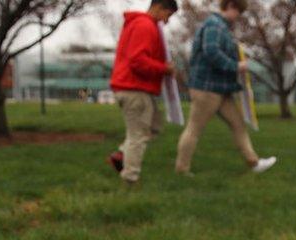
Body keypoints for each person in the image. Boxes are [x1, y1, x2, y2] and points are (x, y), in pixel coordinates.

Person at [175, 0, 276, 175]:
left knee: (238, 125)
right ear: (229, 6)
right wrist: (236, 66)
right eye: (238, 11)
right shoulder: (214, 25)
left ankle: (254, 163)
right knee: (194, 129)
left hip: (221, 89)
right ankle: (182, 169)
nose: (239, 16)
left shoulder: (222, 27)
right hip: (207, 88)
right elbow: (211, 52)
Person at [107, 0, 178, 183]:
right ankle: (130, 178)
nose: (167, 21)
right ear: (159, 7)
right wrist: (164, 68)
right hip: (134, 89)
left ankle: (122, 155)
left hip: (135, 88)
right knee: (137, 135)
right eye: (168, 15)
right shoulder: (145, 26)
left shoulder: (142, 24)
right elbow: (137, 60)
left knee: (154, 126)